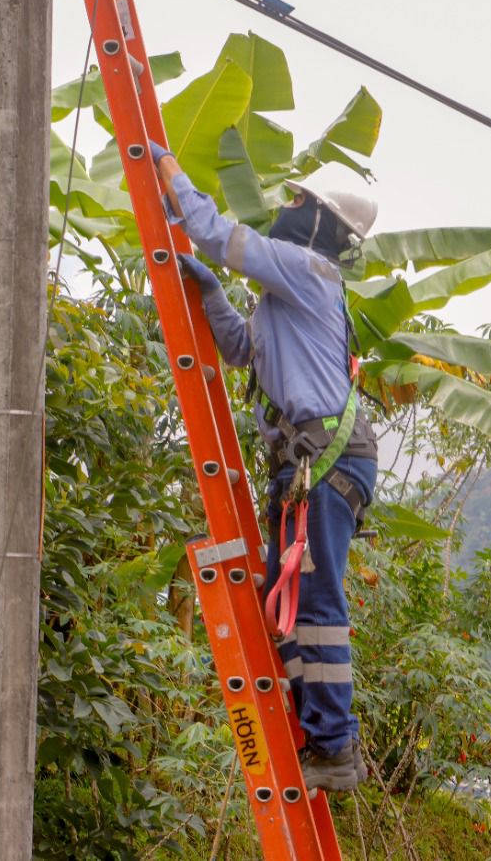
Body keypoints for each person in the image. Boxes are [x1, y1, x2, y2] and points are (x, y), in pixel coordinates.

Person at [152, 141, 379, 793]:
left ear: (320, 219)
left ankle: (335, 746)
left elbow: (216, 234)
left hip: (325, 460)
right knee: (291, 609)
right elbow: (240, 349)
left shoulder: (307, 269)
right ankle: (321, 736)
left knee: (318, 603)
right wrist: (212, 292)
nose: (288, 204)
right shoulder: (288, 297)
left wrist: (168, 172)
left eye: (299, 198)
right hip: (309, 464)